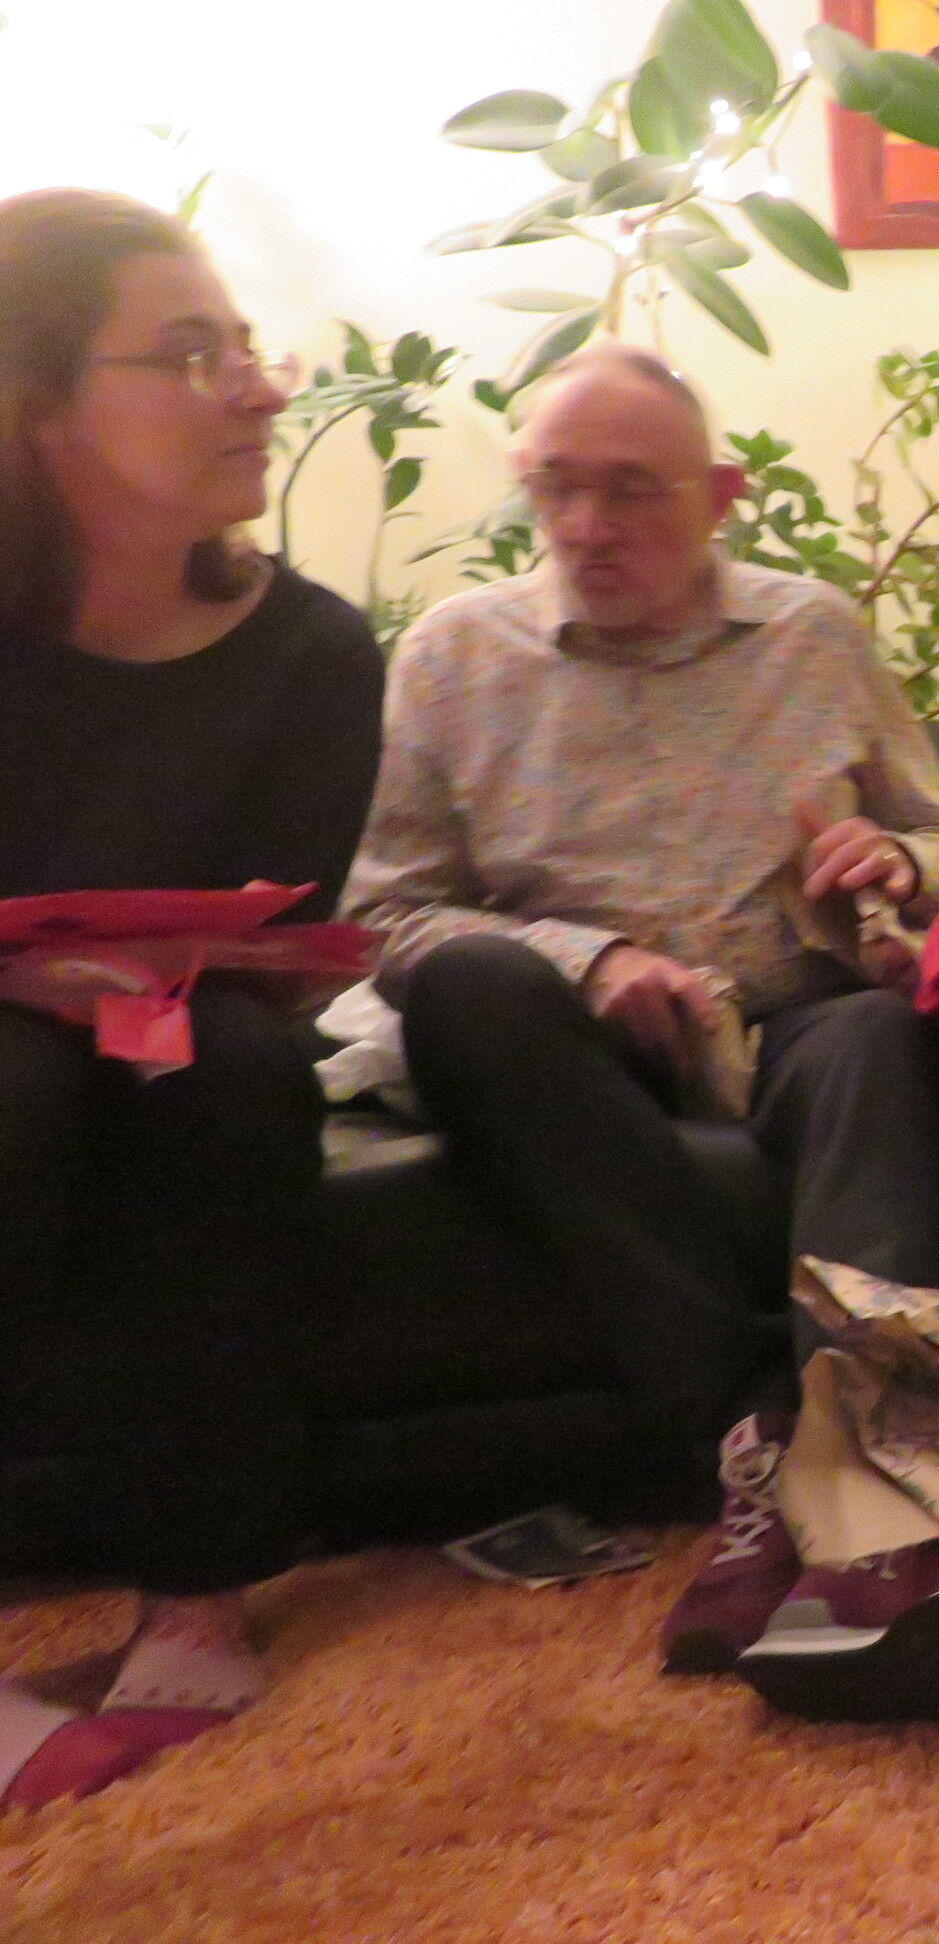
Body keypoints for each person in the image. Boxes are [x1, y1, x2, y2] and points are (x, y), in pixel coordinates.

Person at [338, 343, 939, 1665]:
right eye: (555, 486)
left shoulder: (815, 633)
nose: (586, 525)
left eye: (631, 489)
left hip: (793, 1013)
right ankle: (756, 1432)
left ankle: (859, 1474)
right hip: (576, 1051)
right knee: (469, 986)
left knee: (876, 1037)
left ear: (720, 496)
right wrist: (588, 961)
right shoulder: (454, 655)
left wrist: (899, 864)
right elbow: (387, 916)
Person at [0, 188, 384, 1807]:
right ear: (39, 407)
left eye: (247, 347)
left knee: (230, 1070)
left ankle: (201, 1593)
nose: (260, 388)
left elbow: (285, 920)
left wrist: (128, 976)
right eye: (189, 354)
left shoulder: (313, 649)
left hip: (184, 1016)